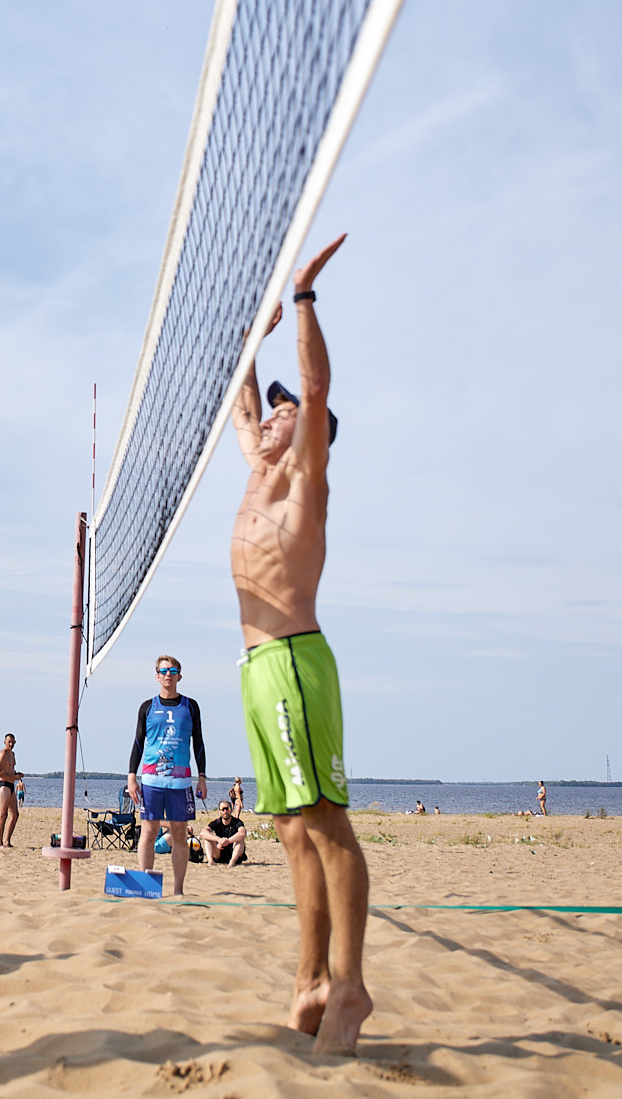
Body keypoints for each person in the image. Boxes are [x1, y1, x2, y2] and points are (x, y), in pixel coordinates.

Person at [228, 235, 371, 1055]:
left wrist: (303, 296)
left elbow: (313, 386)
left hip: (294, 658)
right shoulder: (258, 466)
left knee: (324, 820)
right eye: (274, 410)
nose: (276, 412)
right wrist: (251, 337)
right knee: (286, 826)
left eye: (287, 411)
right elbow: (244, 403)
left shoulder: (306, 472)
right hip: (255, 665)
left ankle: (350, 985)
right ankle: (310, 977)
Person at [126, 654, 207, 896]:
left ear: (179, 676)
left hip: (180, 781)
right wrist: (131, 776)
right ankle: (145, 886)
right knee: (148, 831)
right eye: (163, 671)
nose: (168, 675)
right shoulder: (147, 707)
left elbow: (199, 743)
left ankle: (178, 890)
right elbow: (138, 743)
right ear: (157, 676)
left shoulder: (190, 706)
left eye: (172, 671)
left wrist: (202, 776)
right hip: (151, 780)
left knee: (180, 834)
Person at [203, 798, 250, 866]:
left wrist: (228, 841)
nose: (225, 811)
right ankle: (210, 862)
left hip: (234, 853)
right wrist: (219, 840)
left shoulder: (237, 822)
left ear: (231, 809)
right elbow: (203, 832)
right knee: (208, 838)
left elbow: (243, 833)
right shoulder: (217, 822)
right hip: (219, 853)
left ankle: (232, 862)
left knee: (240, 840)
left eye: (227, 808)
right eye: (223, 809)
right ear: (219, 811)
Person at [0, 733, 22, 848]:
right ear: (5, 742)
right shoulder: (3, 754)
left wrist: (17, 775)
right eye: (8, 742)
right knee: (3, 814)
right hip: (3, 784)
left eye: (12, 742)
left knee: (15, 814)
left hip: (11, 785)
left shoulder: (12, 754)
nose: (10, 744)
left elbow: (11, 769)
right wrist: (13, 777)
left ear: (15, 742)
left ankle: (7, 841)